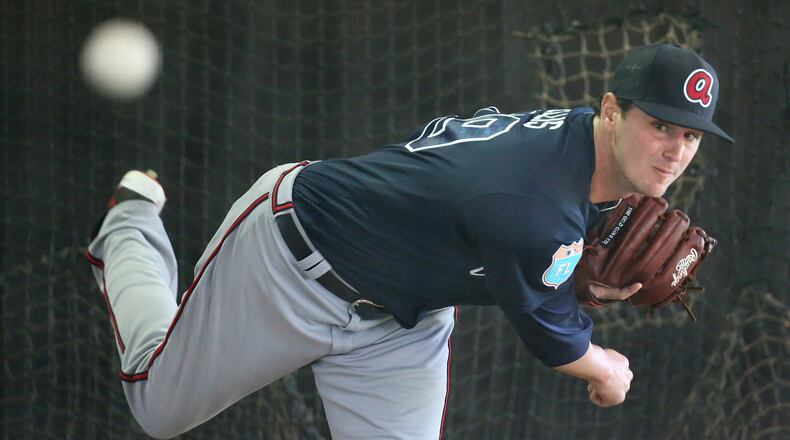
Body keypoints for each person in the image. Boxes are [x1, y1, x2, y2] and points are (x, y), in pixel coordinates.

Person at [85, 43, 734, 439]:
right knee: (158, 408)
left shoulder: (579, 148)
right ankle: (130, 225)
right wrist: (607, 368)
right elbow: (556, 339)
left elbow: (526, 232)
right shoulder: (531, 204)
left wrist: (567, 270)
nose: (676, 150)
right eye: (661, 126)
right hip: (293, 258)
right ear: (613, 109)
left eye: (691, 135)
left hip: (402, 320)